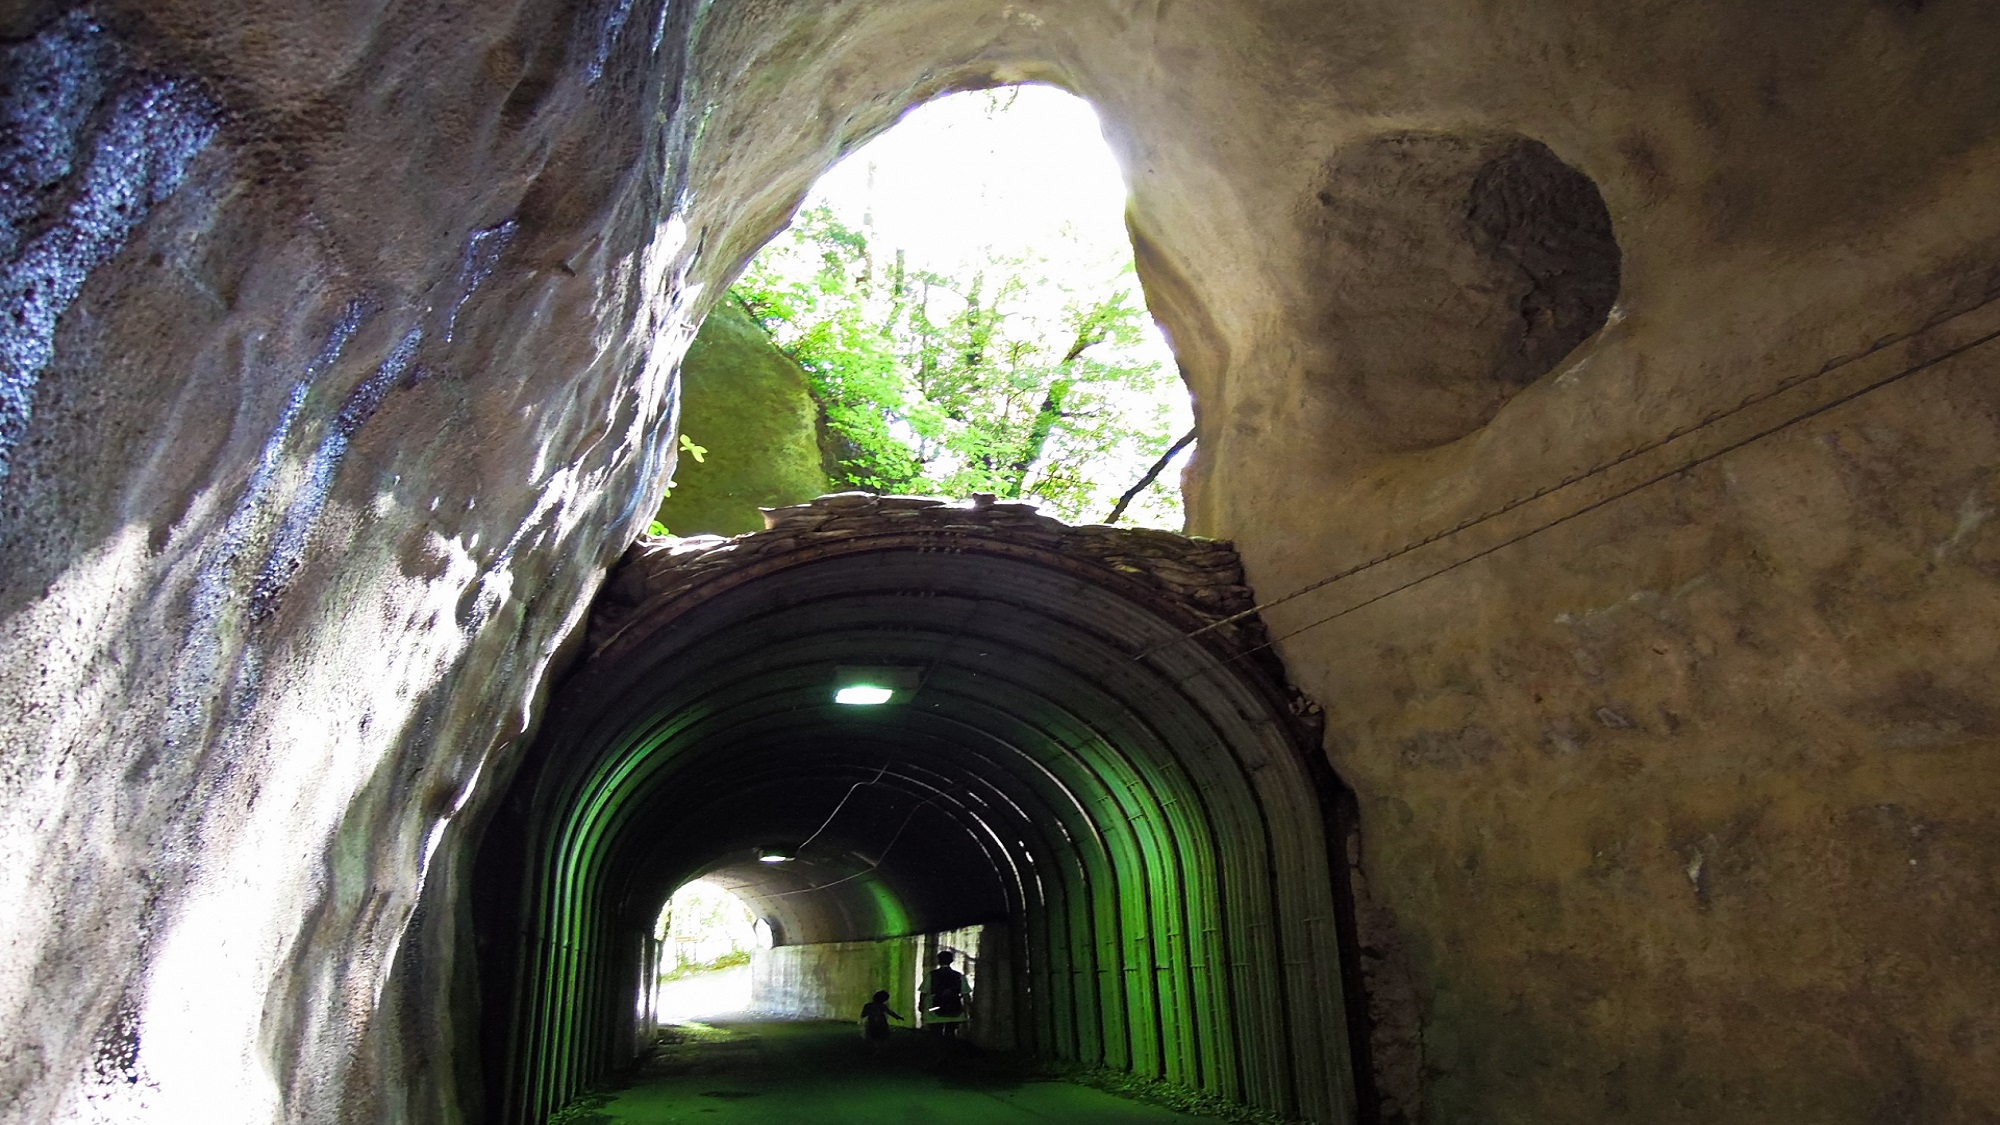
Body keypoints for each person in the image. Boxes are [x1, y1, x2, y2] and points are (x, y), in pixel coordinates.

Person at [922, 950, 970, 1044]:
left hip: (935, 1009)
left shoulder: (932, 975)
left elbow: (924, 992)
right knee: (950, 1034)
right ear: (952, 960)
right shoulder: (958, 975)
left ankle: (938, 1054)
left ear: (938, 961)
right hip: (954, 1009)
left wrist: (922, 1006)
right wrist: (969, 1009)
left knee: (936, 1035)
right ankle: (949, 1053)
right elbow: (966, 994)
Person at [858, 989, 903, 1057]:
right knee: (882, 1037)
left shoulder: (868, 1005)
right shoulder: (882, 1006)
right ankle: (881, 1051)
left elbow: (863, 1015)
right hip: (881, 1023)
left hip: (872, 1023)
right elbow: (890, 1012)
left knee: (874, 1037)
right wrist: (898, 1017)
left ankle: (877, 1050)